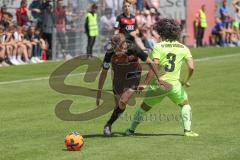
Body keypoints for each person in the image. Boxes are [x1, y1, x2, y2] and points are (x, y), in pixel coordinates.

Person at [125, 18, 199, 137]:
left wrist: (144, 83)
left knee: (144, 107)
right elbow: (191, 67)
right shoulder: (183, 48)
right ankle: (188, 131)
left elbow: (154, 67)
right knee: (185, 104)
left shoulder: (158, 47)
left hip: (158, 86)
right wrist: (186, 81)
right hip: (174, 86)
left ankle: (131, 130)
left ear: (161, 32)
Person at [97, 33, 170, 136]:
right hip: (118, 77)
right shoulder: (109, 53)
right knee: (119, 106)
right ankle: (110, 123)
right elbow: (104, 72)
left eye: (120, 49)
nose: (118, 51)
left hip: (133, 76)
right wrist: (99, 90)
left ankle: (108, 125)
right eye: (116, 49)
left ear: (124, 45)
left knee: (123, 101)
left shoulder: (134, 49)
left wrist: (157, 79)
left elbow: (151, 63)